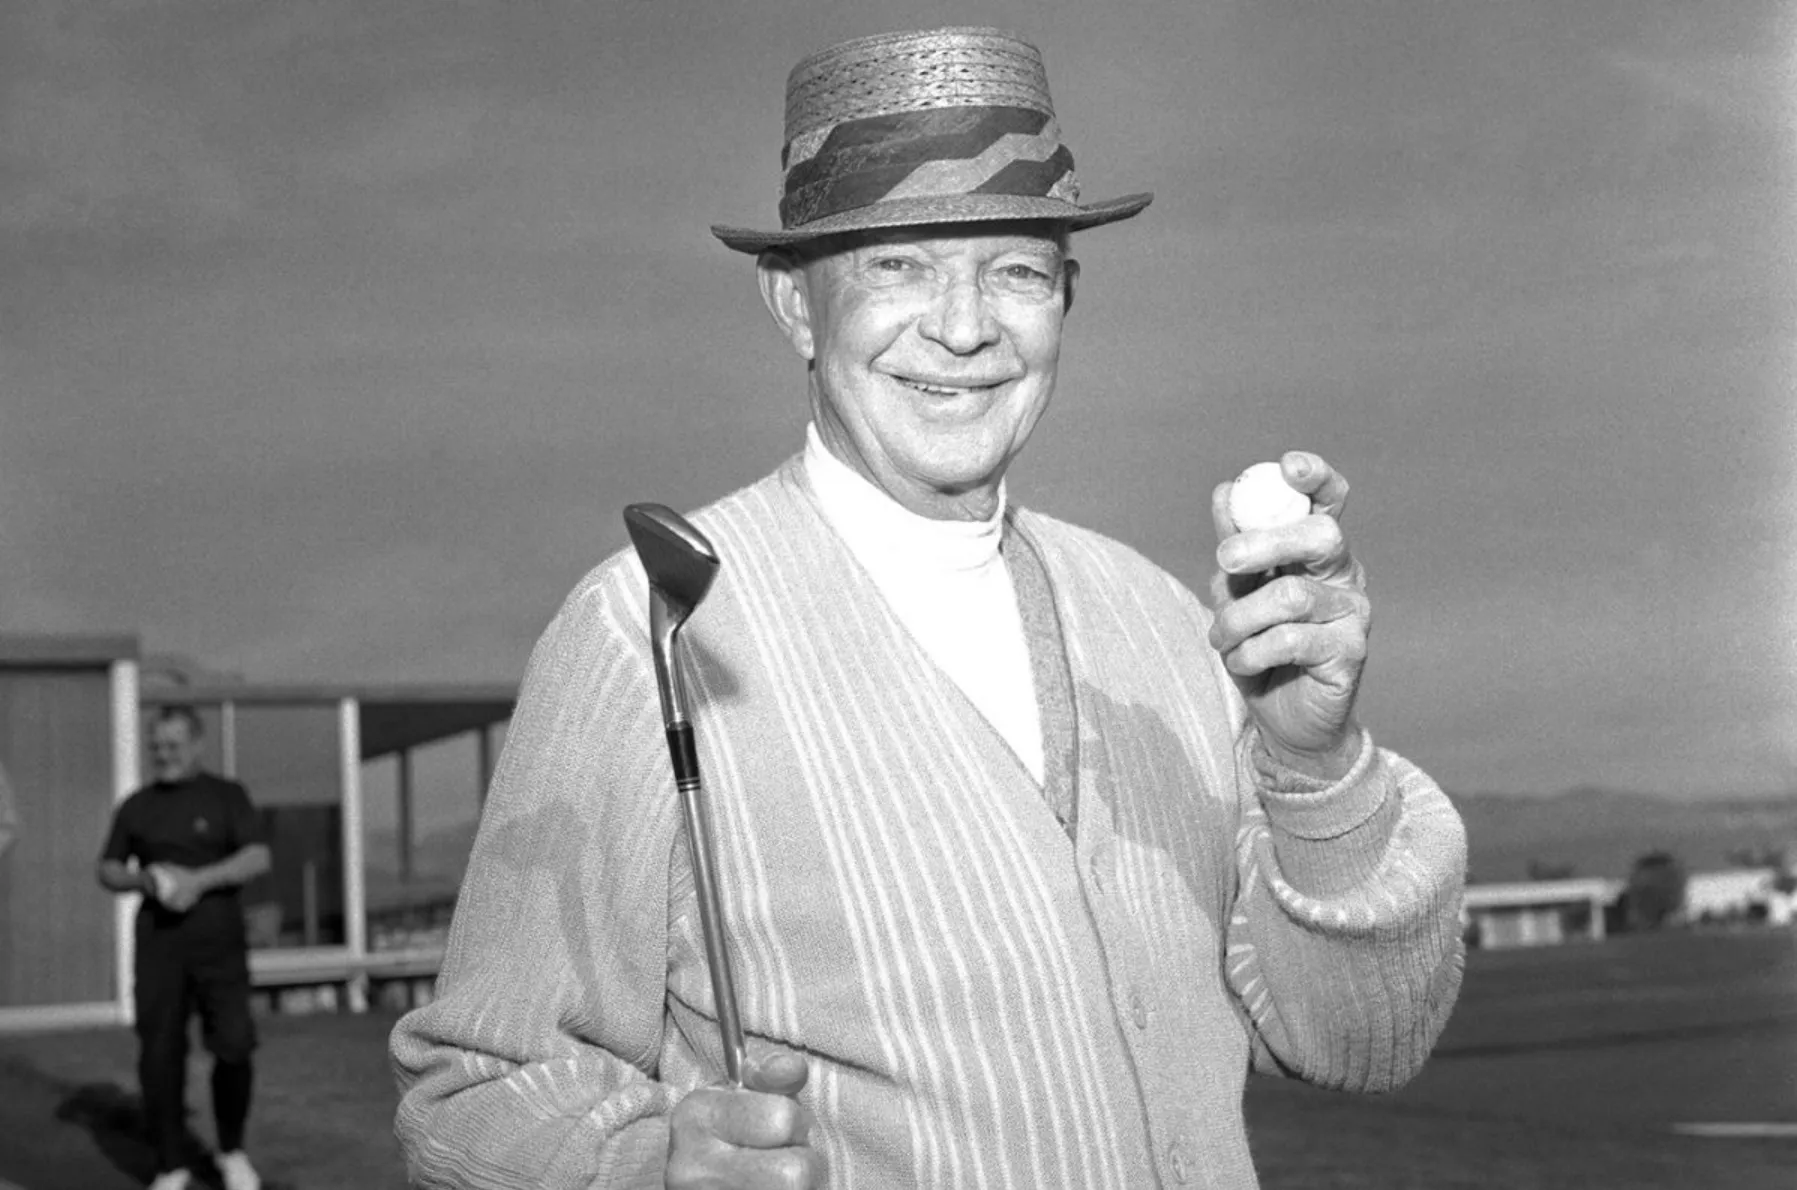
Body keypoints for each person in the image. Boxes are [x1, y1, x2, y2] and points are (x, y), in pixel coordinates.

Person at [391, 26, 1467, 1189]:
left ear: (1065, 298)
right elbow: (476, 1096)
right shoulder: (651, 628)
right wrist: (654, 1167)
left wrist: (1315, 764)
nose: (963, 327)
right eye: (897, 264)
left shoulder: (1163, 624)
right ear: (796, 307)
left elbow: (1361, 1045)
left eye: (1014, 269)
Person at [98, 706, 271, 1190]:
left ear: (197, 744)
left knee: (234, 1046)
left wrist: (197, 880)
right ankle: (171, 1163)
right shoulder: (137, 806)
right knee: (159, 1053)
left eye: (173, 745)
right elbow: (106, 869)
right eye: (156, 746)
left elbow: (258, 856)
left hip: (220, 945)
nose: (163, 754)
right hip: (158, 947)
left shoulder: (226, 797)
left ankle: (232, 1152)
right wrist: (145, 879)